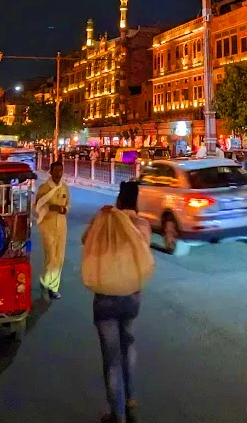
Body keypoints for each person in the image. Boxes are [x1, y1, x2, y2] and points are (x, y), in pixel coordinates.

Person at [84, 181, 150, 423]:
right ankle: (131, 399)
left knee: (111, 358)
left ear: (119, 200)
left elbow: (85, 240)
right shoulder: (142, 225)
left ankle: (117, 415)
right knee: (128, 345)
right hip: (132, 296)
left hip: (106, 299)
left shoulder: (106, 220)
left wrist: (102, 217)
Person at [35, 160, 70, 300]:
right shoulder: (44, 188)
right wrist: (50, 207)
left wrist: (64, 209)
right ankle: (46, 281)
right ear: (50, 172)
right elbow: (37, 207)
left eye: (61, 170)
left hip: (61, 226)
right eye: (56, 170)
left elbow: (68, 204)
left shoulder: (65, 188)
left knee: (60, 259)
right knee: (51, 258)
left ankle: (53, 287)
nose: (58, 173)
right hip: (47, 227)